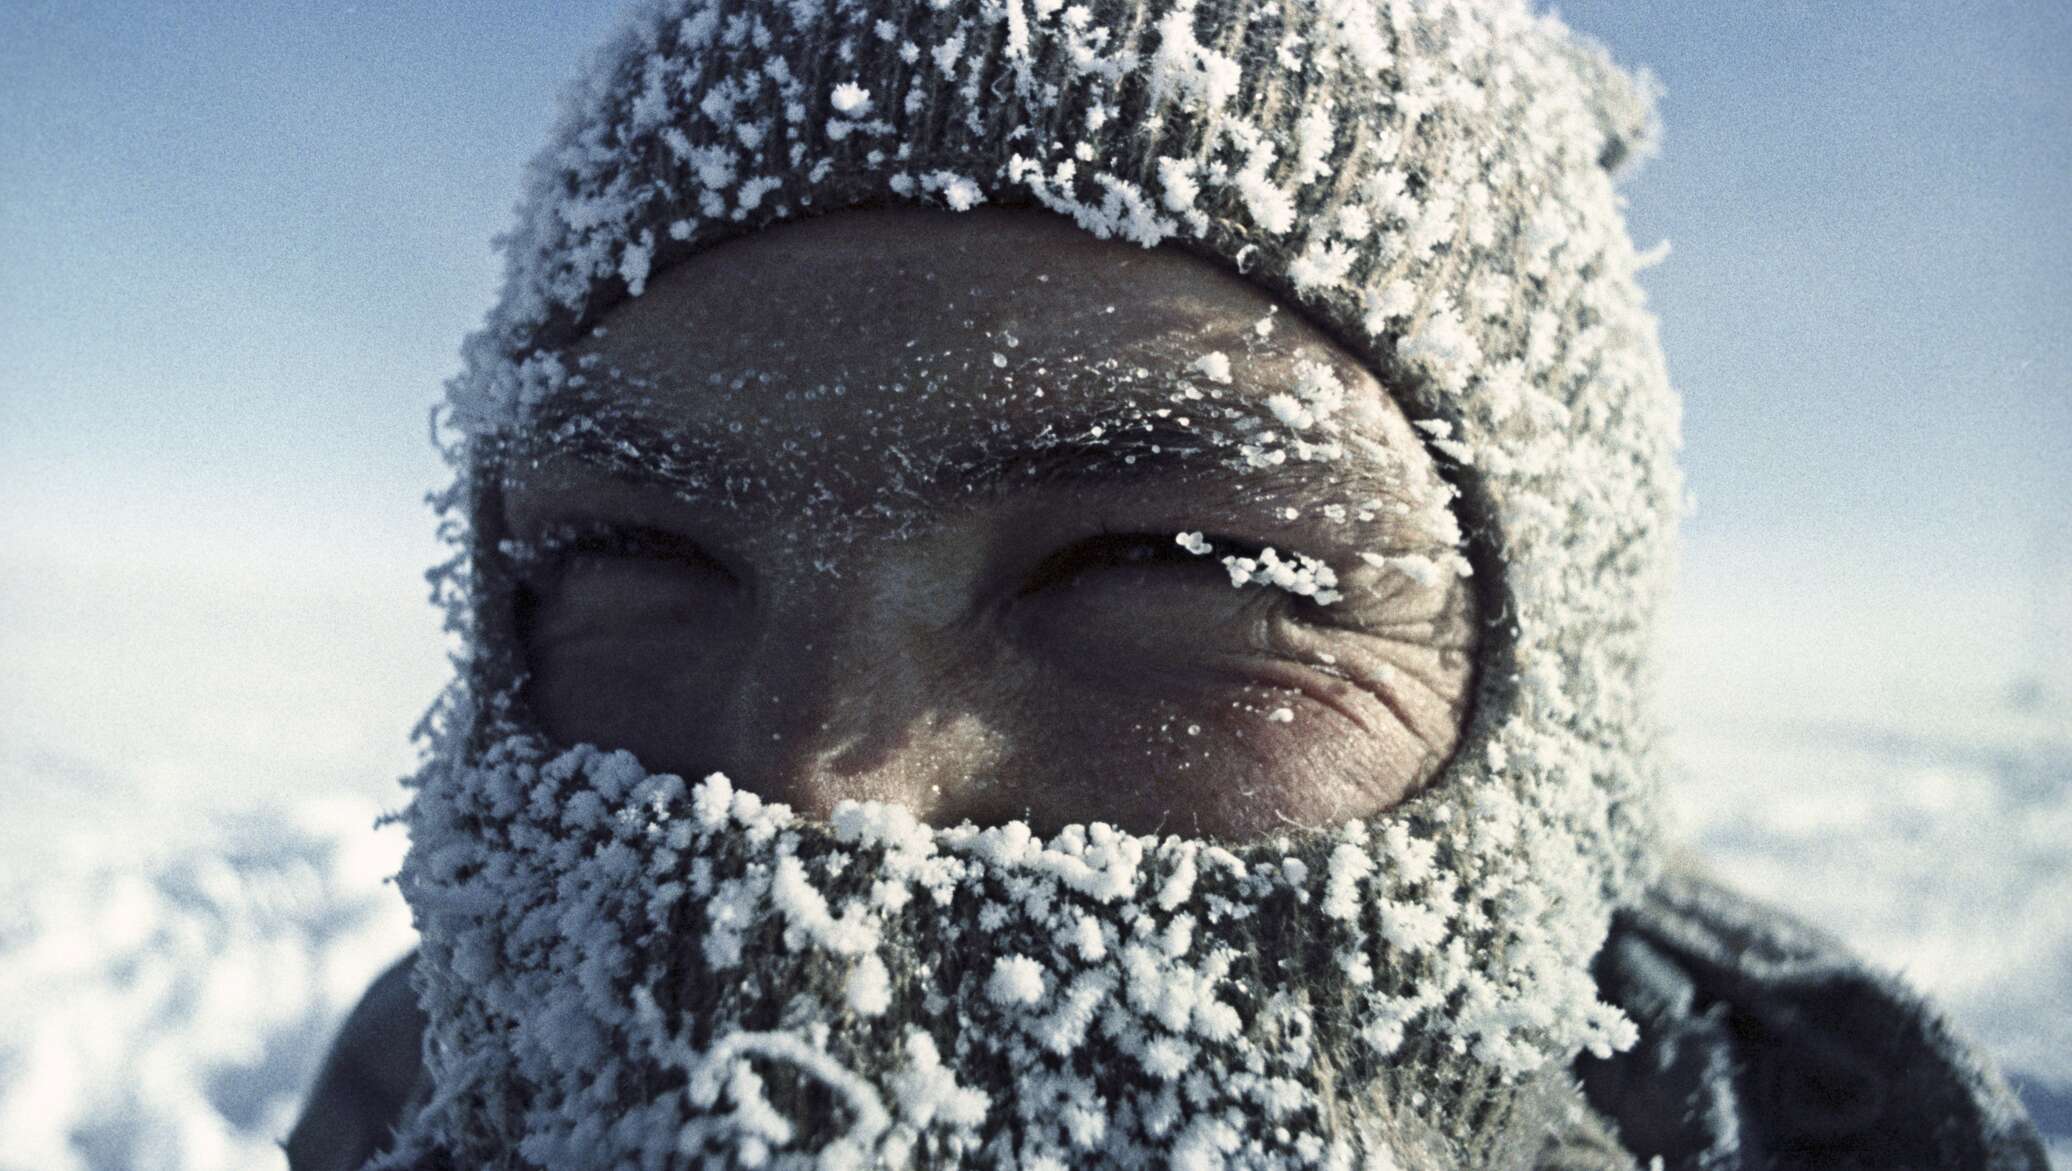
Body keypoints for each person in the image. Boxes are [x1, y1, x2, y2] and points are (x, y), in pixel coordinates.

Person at [289, 0, 2048, 1167]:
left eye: (1172, 570)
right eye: (634, 555)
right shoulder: (400, 1093)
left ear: (1548, 728)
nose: (811, 794)